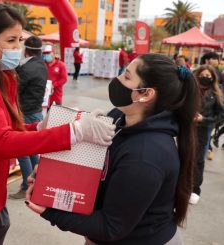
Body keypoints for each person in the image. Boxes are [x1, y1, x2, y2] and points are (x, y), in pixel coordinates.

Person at [0, 3, 115, 244]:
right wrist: (75, 132)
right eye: (10, 40)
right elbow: (4, 142)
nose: (17, 48)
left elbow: (6, 130)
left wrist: (39, 127)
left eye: (19, 39)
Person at [26, 54, 200, 245]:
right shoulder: (119, 117)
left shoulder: (145, 156)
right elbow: (97, 168)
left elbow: (111, 227)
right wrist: (52, 176)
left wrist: (50, 210)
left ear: (146, 94)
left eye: (126, 76)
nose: (116, 80)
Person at [9, 36, 47, 199]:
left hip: (25, 112)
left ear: (26, 49)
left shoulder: (26, 69)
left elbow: (14, 91)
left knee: (22, 150)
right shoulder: (42, 65)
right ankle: (36, 182)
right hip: (36, 111)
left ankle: (26, 186)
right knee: (32, 150)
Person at [190, 65, 224, 205]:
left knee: (198, 160)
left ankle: (195, 190)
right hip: (186, 129)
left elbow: (220, 116)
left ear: (213, 78)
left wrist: (203, 119)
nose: (206, 78)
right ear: (197, 75)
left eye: (209, 76)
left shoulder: (215, 93)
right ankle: (181, 186)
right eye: (203, 74)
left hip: (203, 130)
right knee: (183, 157)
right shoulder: (190, 90)